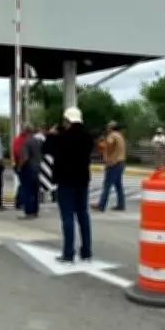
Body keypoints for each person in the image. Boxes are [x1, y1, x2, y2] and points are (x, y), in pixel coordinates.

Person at [44, 107, 94, 263]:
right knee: (83, 215)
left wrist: (50, 135)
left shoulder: (60, 137)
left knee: (67, 217)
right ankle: (86, 251)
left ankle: (68, 253)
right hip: (82, 180)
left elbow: (46, 149)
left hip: (65, 181)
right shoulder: (87, 137)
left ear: (67, 120)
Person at [94, 121, 126, 212]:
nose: (107, 129)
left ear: (111, 128)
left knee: (107, 185)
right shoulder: (120, 135)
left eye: (108, 127)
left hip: (113, 164)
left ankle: (101, 205)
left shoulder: (112, 136)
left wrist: (101, 142)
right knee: (118, 185)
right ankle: (121, 204)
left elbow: (108, 144)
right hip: (121, 162)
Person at [17, 125, 42, 219]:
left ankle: (29, 212)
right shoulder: (38, 142)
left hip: (28, 169)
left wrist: (19, 167)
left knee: (27, 191)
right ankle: (35, 211)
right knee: (35, 191)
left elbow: (25, 158)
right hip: (36, 168)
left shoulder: (26, 142)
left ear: (26, 131)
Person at [11, 127, 26, 210]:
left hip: (19, 164)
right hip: (22, 165)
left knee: (23, 184)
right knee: (24, 184)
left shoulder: (18, 139)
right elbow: (18, 153)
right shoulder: (20, 140)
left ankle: (19, 202)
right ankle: (20, 202)